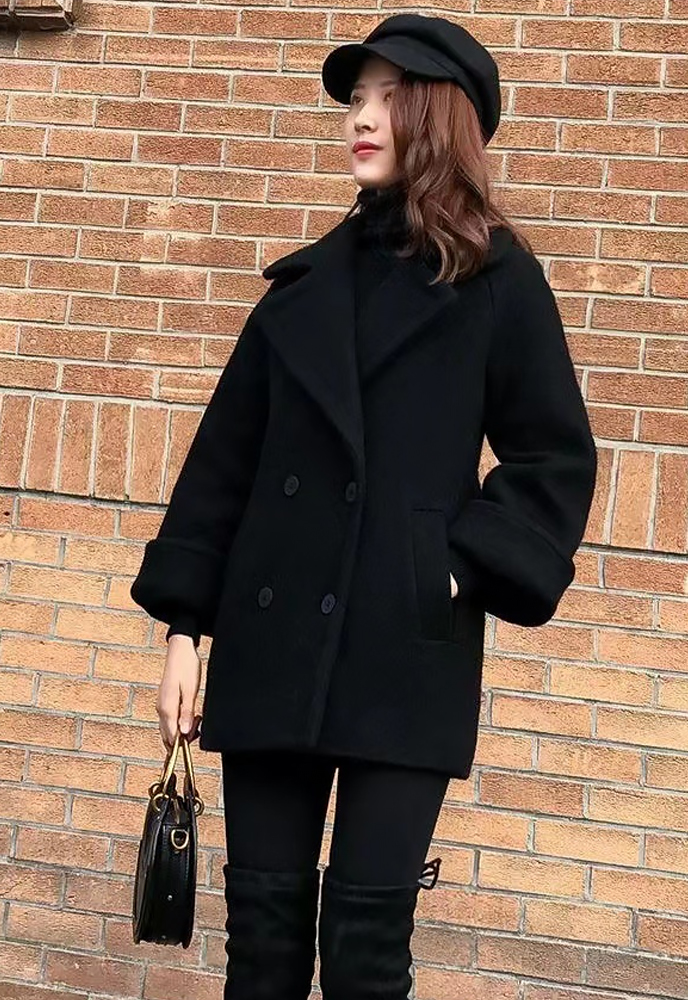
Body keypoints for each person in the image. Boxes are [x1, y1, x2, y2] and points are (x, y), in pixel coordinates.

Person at [129, 13, 598, 1000]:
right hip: (271, 645)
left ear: (439, 117)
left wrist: (452, 566)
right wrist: (183, 632)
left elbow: (553, 456)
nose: (361, 116)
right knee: (262, 945)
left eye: (389, 97)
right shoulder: (299, 291)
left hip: (404, 651)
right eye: (355, 97)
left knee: (365, 950)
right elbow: (220, 471)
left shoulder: (497, 281)